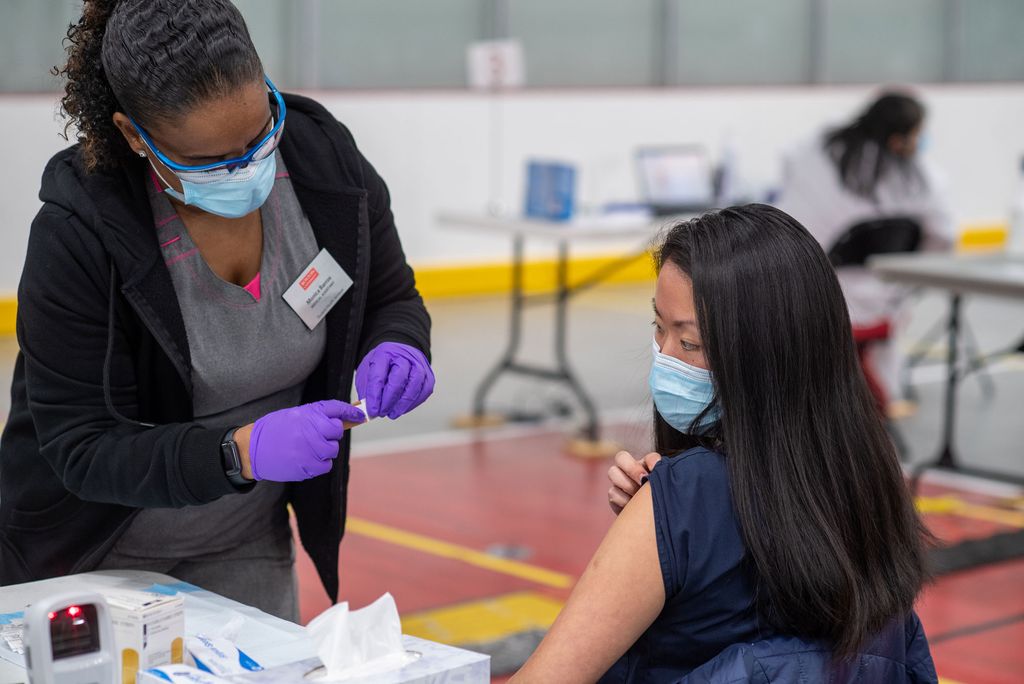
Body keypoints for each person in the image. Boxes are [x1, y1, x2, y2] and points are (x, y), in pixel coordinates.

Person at [0, 0, 434, 622]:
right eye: (206, 162)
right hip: (96, 559)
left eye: (259, 137)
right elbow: (82, 447)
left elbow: (390, 297)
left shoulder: (322, 162)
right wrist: (238, 454)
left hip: (245, 543)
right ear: (133, 136)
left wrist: (399, 345)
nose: (246, 168)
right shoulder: (81, 232)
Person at [512, 205, 936, 682]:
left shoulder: (686, 497)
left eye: (689, 343)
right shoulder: (867, 478)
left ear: (762, 352)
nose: (663, 357)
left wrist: (664, 518)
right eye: (658, 328)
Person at [775, 92, 954, 416]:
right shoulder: (919, 180)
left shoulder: (815, 153)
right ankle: (878, 401)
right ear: (900, 138)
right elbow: (942, 237)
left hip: (816, 306)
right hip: (882, 312)